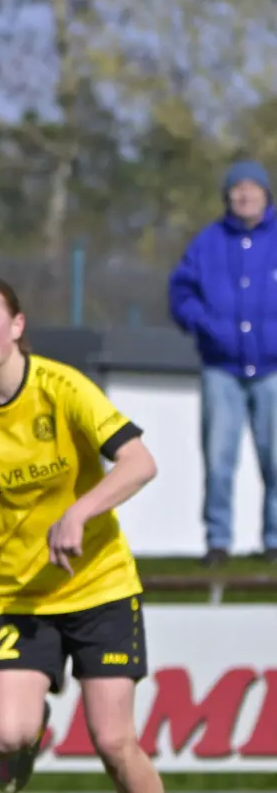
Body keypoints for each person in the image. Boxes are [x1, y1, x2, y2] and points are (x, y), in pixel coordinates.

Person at [0, 278, 162, 793]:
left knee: (114, 742)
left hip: (100, 588)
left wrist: (79, 513)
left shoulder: (64, 387)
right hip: (18, 597)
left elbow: (139, 462)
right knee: (7, 733)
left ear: (17, 325)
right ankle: (26, 745)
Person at [168, 159, 277, 567]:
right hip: (221, 370)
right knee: (218, 460)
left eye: (252, 189)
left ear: (266, 194)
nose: (244, 196)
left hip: (273, 370)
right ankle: (217, 541)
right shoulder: (207, 243)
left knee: (276, 459)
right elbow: (182, 294)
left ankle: (273, 542)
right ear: (227, 196)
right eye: (237, 189)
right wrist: (205, 326)